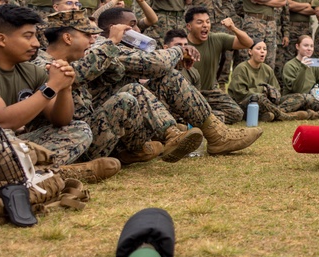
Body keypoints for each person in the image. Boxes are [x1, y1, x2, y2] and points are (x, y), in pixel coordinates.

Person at [0, 4, 117, 182]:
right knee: (6, 139)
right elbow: (2, 121)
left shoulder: (31, 71)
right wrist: (52, 87)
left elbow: (61, 120)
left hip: (13, 147)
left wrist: (65, 87)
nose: (36, 43)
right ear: (1, 40)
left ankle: (38, 174)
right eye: (28, 36)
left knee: (78, 129)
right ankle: (55, 173)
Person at [92, 7, 263, 155]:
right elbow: (156, 63)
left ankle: (217, 135)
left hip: (122, 126)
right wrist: (179, 51)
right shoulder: (104, 47)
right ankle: (172, 135)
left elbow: (154, 65)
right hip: (102, 130)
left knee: (168, 77)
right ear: (113, 28)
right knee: (132, 90)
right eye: (132, 25)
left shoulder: (118, 47)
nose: (138, 28)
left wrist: (176, 60)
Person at [40, 9, 203, 165]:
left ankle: (172, 135)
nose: (92, 40)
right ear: (68, 38)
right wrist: (110, 43)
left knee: (133, 89)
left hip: (91, 129)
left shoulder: (80, 57)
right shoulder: (41, 65)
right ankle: (146, 144)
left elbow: (114, 75)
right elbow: (77, 74)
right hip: (72, 141)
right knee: (124, 99)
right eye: (87, 35)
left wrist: (116, 55)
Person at [185, 6, 254, 124]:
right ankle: (207, 117)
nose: (205, 25)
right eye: (200, 22)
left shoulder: (216, 38)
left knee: (237, 113)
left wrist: (233, 28)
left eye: (207, 21)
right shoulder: (181, 43)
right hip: (188, 94)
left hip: (210, 92)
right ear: (189, 26)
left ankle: (206, 117)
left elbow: (248, 43)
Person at [227, 41, 314, 122]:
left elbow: (277, 90)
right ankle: (285, 115)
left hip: (268, 103)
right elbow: (240, 94)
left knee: (300, 97)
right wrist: (263, 93)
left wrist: (272, 94)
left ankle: (271, 114)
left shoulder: (267, 69)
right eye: (258, 49)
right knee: (258, 97)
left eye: (264, 49)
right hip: (246, 105)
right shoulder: (242, 68)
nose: (262, 52)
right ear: (250, 52)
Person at [279, 0, 317, 74]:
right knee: (288, 56)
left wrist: (296, 6)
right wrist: (306, 5)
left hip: (306, 28)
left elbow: (315, 9)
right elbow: (288, 5)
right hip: (291, 27)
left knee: (307, 57)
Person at [281, 34, 319, 113]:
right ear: (297, 47)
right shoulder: (290, 65)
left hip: (313, 98)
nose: (309, 49)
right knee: (304, 98)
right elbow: (296, 89)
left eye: (311, 46)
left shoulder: (315, 64)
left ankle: (316, 110)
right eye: (306, 46)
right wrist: (303, 67)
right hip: (296, 98)